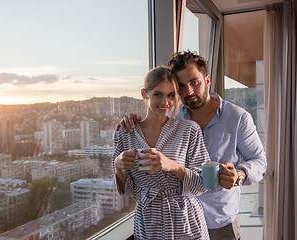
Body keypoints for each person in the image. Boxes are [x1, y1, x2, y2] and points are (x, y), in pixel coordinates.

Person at [116, 51, 267, 240]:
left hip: (219, 220)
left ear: (207, 80)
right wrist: (129, 121)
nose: (189, 92)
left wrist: (239, 175)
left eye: (194, 82)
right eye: (181, 86)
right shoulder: (172, 116)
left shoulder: (238, 117)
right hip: (177, 224)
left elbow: (260, 161)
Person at [113, 66, 211, 239]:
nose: (165, 102)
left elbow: (203, 185)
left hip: (186, 222)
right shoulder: (125, 134)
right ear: (144, 94)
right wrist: (117, 166)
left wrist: (172, 166)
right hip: (148, 223)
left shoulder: (189, 130)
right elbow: (127, 191)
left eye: (171, 95)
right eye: (158, 94)